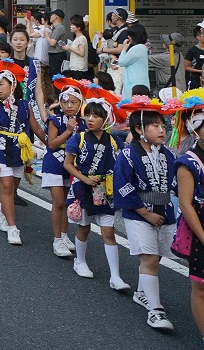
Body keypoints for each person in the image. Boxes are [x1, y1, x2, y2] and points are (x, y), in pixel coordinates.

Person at [113, 98, 178, 332]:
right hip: (139, 213)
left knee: (158, 256)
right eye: (155, 126)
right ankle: (155, 311)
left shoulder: (167, 154)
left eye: (163, 125)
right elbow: (123, 185)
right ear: (139, 129)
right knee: (149, 259)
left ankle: (142, 293)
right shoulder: (128, 155)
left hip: (165, 212)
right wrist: (146, 213)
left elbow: (175, 183)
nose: (162, 130)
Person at [64, 95, 125, 288]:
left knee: (108, 231)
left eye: (95, 116)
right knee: (84, 227)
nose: (90, 119)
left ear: (106, 119)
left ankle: (115, 276)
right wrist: (84, 179)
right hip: (84, 188)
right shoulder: (79, 138)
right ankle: (80, 261)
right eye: (87, 115)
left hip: (105, 190)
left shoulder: (114, 141)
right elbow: (68, 164)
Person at [0, 58, 45, 246]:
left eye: (1, 84)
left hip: (19, 150)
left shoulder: (25, 105)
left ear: (13, 85)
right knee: (7, 187)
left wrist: (51, 143)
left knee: (12, 187)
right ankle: (12, 227)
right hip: (2, 149)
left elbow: (35, 128)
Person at [172, 91, 204, 337]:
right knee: (201, 287)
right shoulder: (189, 162)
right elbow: (186, 204)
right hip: (200, 228)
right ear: (195, 130)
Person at [43, 78, 85, 259]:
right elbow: (51, 144)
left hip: (73, 165)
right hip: (54, 161)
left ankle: (65, 234)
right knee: (58, 202)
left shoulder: (83, 122)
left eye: (74, 102)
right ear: (60, 102)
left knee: (68, 202)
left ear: (80, 104)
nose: (69, 105)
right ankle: (57, 238)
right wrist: (68, 131)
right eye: (66, 102)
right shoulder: (55, 120)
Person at [116, 23, 151, 97]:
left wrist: (124, 48)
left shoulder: (136, 49)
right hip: (141, 83)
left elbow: (121, 62)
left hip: (134, 83)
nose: (128, 37)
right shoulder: (143, 48)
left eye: (130, 35)